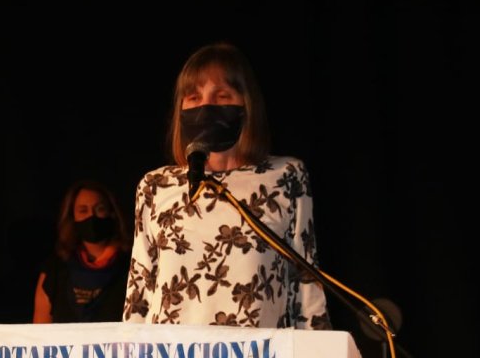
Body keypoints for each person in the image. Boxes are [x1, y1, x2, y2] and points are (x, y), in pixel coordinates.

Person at [123, 42, 331, 329]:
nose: (206, 106)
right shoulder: (155, 186)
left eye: (222, 96)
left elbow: (306, 286)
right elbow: (139, 294)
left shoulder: (284, 177)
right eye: (194, 98)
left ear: (247, 106)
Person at [33, 179, 132, 323]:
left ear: (112, 213)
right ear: (72, 216)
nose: (91, 216)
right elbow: (39, 334)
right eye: (83, 210)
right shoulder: (55, 270)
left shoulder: (133, 266)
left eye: (99, 209)